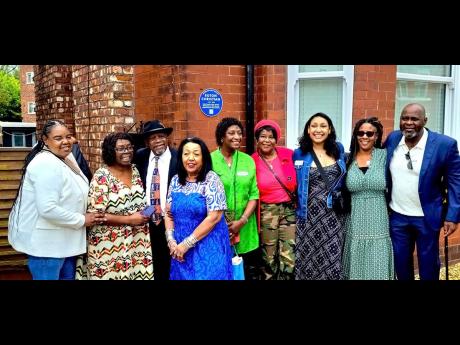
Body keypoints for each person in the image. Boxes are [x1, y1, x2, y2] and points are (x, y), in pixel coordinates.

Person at [8, 119, 104, 280]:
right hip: (47, 247)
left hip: (63, 242)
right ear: (45, 140)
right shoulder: (45, 163)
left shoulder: (64, 157)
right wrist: (82, 219)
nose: (66, 141)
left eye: (68, 136)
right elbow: (47, 209)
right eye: (58, 138)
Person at [384, 103, 460, 280]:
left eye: (414, 119)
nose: (408, 122)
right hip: (397, 216)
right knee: (400, 265)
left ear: (424, 121)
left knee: (428, 267)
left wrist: (452, 215)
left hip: (427, 217)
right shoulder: (393, 139)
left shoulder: (444, 145)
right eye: (404, 118)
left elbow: (456, 183)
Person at [77, 132, 153, 279]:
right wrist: (130, 220)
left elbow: (140, 202)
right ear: (111, 151)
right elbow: (95, 216)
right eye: (121, 148)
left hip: (136, 241)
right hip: (109, 244)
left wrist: (148, 212)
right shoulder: (102, 176)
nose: (127, 152)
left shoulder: (136, 171)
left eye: (129, 147)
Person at [164, 137, 233, 280]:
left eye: (196, 154)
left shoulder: (211, 179)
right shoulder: (176, 180)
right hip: (180, 252)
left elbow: (214, 217)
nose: (191, 158)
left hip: (208, 249)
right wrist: (171, 241)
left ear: (203, 158)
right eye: (186, 153)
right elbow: (169, 214)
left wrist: (186, 244)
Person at [293, 112, 347, 280]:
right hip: (307, 216)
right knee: (307, 259)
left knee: (332, 258)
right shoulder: (299, 153)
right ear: (308, 130)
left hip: (333, 215)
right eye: (314, 126)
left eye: (323, 126)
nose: (318, 130)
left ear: (330, 129)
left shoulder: (338, 149)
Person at [342, 117, 394, 280]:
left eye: (369, 133)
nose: (365, 137)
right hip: (354, 218)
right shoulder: (346, 159)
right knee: (356, 257)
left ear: (376, 136)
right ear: (355, 135)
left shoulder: (385, 156)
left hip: (378, 216)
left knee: (378, 256)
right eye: (361, 133)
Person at [211, 117, 261, 280]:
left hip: (245, 227)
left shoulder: (248, 161)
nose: (237, 137)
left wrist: (242, 220)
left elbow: (254, 195)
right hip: (217, 226)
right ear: (221, 137)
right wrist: (219, 222)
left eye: (239, 133)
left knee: (245, 271)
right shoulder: (209, 160)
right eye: (231, 133)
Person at [251, 119, 296, 280]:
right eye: (263, 136)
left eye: (271, 137)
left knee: (289, 255)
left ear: (276, 140)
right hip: (266, 212)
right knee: (268, 256)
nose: (267, 140)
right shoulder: (252, 160)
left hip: (289, 210)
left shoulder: (288, 154)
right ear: (257, 138)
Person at [133, 120, 178, 280]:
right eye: (153, 138)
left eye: (161, 136)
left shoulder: (177, 157)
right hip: (148, 216)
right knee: (151, 261)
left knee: (171, 260)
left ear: (167, 138)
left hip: (170, 218)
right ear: (147, 142)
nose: (158, 140)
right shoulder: (140, 156)